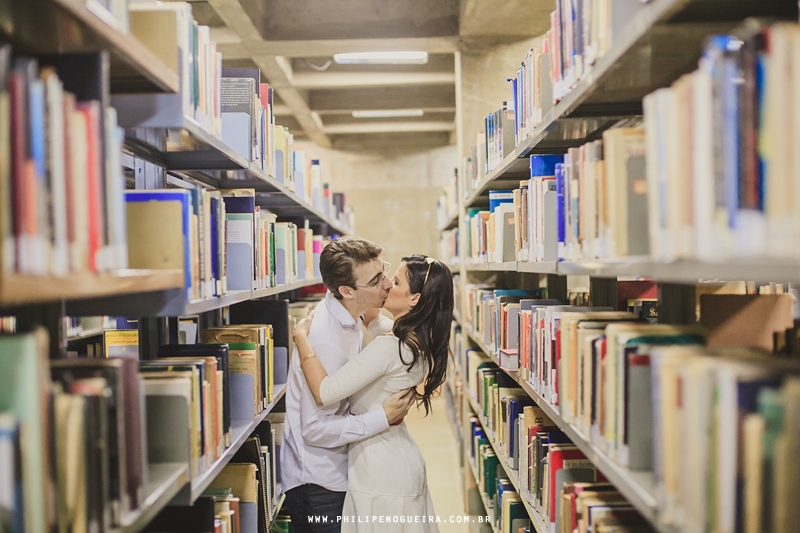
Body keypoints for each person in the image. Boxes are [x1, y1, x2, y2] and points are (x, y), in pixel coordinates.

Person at [293, 255, 454, 533]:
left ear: (414, 299)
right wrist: (353, 284)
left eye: (396, 281)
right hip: (397, 456)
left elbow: (324, 392)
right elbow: (373, 318)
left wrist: (301, 338)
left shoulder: (390, 348)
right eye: (386, 278)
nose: (387, 284)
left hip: (380, 468)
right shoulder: (419, 338)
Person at [282, 237, 417, 533]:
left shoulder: (351, 311)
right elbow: (314, 428)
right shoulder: (326, 340)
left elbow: (387, 328)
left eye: (384, 272)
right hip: (320, 483)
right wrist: (383, 417)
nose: (387, 284)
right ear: (346, 290)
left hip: (338, 471)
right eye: (376, 281)